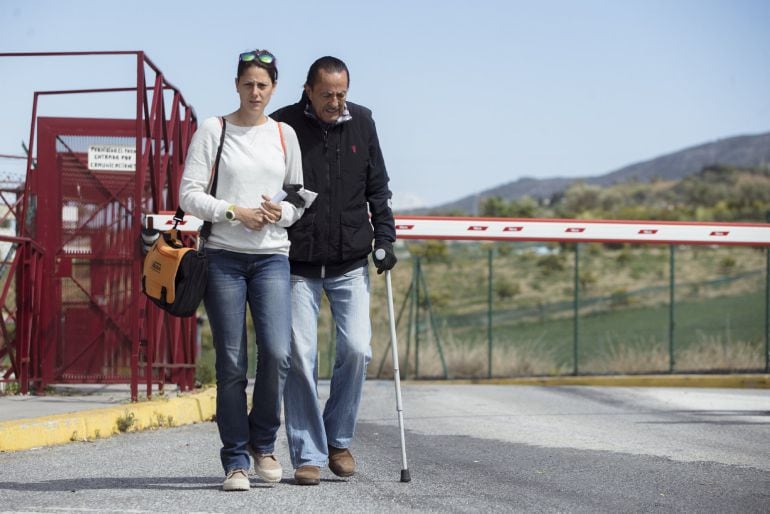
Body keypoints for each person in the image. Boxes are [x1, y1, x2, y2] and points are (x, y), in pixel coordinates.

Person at [180, 49, 313, 492]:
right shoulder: (213, 130)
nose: (255, 92)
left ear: (273, 88)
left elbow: (299, 195)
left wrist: (282, 214)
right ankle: (236, 459)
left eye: (263, 85)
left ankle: (263, 444)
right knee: (232, 362)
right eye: (248, 83)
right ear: (236, 85)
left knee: (277, 353)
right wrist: (234, 212)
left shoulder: (284, 134)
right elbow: (189, 195)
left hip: (273, 256)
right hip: (223, 258)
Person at [271, 56, 397, 486]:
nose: (335, 101)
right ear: (308, 89)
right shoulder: (282, 126)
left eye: (341, 93)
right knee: (300, 358)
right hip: (297, 261)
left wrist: (385, 239)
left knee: (358, 349)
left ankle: (338, 439)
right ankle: (308, 453)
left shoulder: (362, 122)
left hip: (349, 261)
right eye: (327, 94)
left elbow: (377, 186)